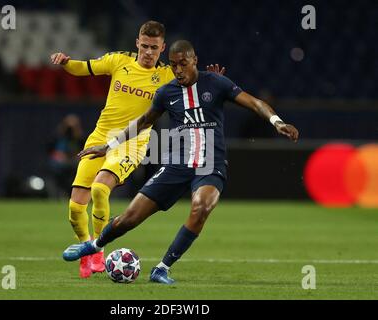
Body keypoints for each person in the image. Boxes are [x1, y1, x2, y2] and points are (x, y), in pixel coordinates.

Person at [61, 40, 299, 284]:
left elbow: (255, 103)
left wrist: (277, 122)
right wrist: (108, 146)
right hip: (177, 163)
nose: (178, 70)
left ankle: (162, 268)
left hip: (210, 164)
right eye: (174, 65)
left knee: (201, 207)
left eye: (183, 64)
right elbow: (142, 122)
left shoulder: (215, 83)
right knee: (132, 216)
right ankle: (94, 246)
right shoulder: (166, 92)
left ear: (194, 60)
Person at [50, 21, 225, 278]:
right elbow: (85, 68)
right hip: (100, 136)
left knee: (100, 188)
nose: (148, 52)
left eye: (154, 48)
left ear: (162, 48)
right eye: (144, 46)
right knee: (76, 207)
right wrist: (65, 62)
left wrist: (214, 81)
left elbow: (195, 81)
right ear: (137, 43)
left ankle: (96, 245)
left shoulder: (167, 74)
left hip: (133, 142)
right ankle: (92, 254)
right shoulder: (118, 61)